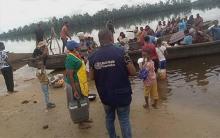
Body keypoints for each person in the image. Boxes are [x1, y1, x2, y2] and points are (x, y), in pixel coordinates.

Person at [89, 29, 136, 138]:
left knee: (109, 118)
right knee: (124, 120)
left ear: (99, 40)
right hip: (122, 94)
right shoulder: (122, 52)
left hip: (105, 95)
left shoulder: (92, 56)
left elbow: (91, 77)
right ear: (111, 38)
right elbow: (133, 72)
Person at [65, 40, 92, 129]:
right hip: (75, 84)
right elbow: (70, 75)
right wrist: (75, 90)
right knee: (78, 102)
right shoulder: (70, 58)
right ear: (74, 48)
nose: (79, 47)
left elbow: (79, 66)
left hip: (81, 82)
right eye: (77, 46)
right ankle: (80, 123)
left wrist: (83, 60)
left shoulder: (75, 55)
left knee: (84, 100)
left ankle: (85, 118)